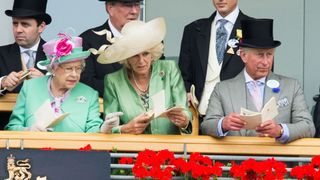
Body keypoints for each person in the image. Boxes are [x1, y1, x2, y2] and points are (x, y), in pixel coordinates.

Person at [201, 19, 315, 143]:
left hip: (277, 160)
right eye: (260, 55)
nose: (266, 62)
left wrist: (280, 130)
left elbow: (308, 126)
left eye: (270, 54)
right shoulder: (222, 89)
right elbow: (206, 126)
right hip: (237, 160)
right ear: (244, 56)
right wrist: (223, 124)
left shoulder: (291, 87)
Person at [98, 17, 192, 134]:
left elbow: (185, 112)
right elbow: (109, 127)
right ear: (126, 57)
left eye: (145, 53)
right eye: (135, 55)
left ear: (152, 53)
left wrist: (184, 121)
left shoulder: (169, 69)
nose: (141, 61)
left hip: (169, 146)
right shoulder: (113, 81)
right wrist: (125, 129)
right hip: (132, 148)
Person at [5, 34, 106, 132]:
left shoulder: (90, 94)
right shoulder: (30, 88)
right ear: (53, 68)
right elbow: (13, 127)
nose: (74, 74)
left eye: (78, 68)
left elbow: (92, 130)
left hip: (72, 148)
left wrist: (103, 129)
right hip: (34, 147)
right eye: (69, 69)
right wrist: (28, 130)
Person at [178, 0, 252, 117]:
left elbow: (263, 75)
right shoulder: (193, 30)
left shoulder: (253, 28)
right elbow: (184, 75)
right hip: (200, 115)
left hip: (239, 117)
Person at [79, 0, 143, 97]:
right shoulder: (88, 41)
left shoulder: (150, 38)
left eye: (137, 5)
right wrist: (128, 89)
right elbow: (86, 83)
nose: (134, 11)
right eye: (128, 5)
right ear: (110, 8)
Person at [0, 0, 51, 95]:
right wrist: (2, 82)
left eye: (25, 24)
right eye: (15, 23)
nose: (18, 30)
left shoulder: (56, 56)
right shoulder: (1, 53)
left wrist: (47, 83)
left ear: (41, 27)